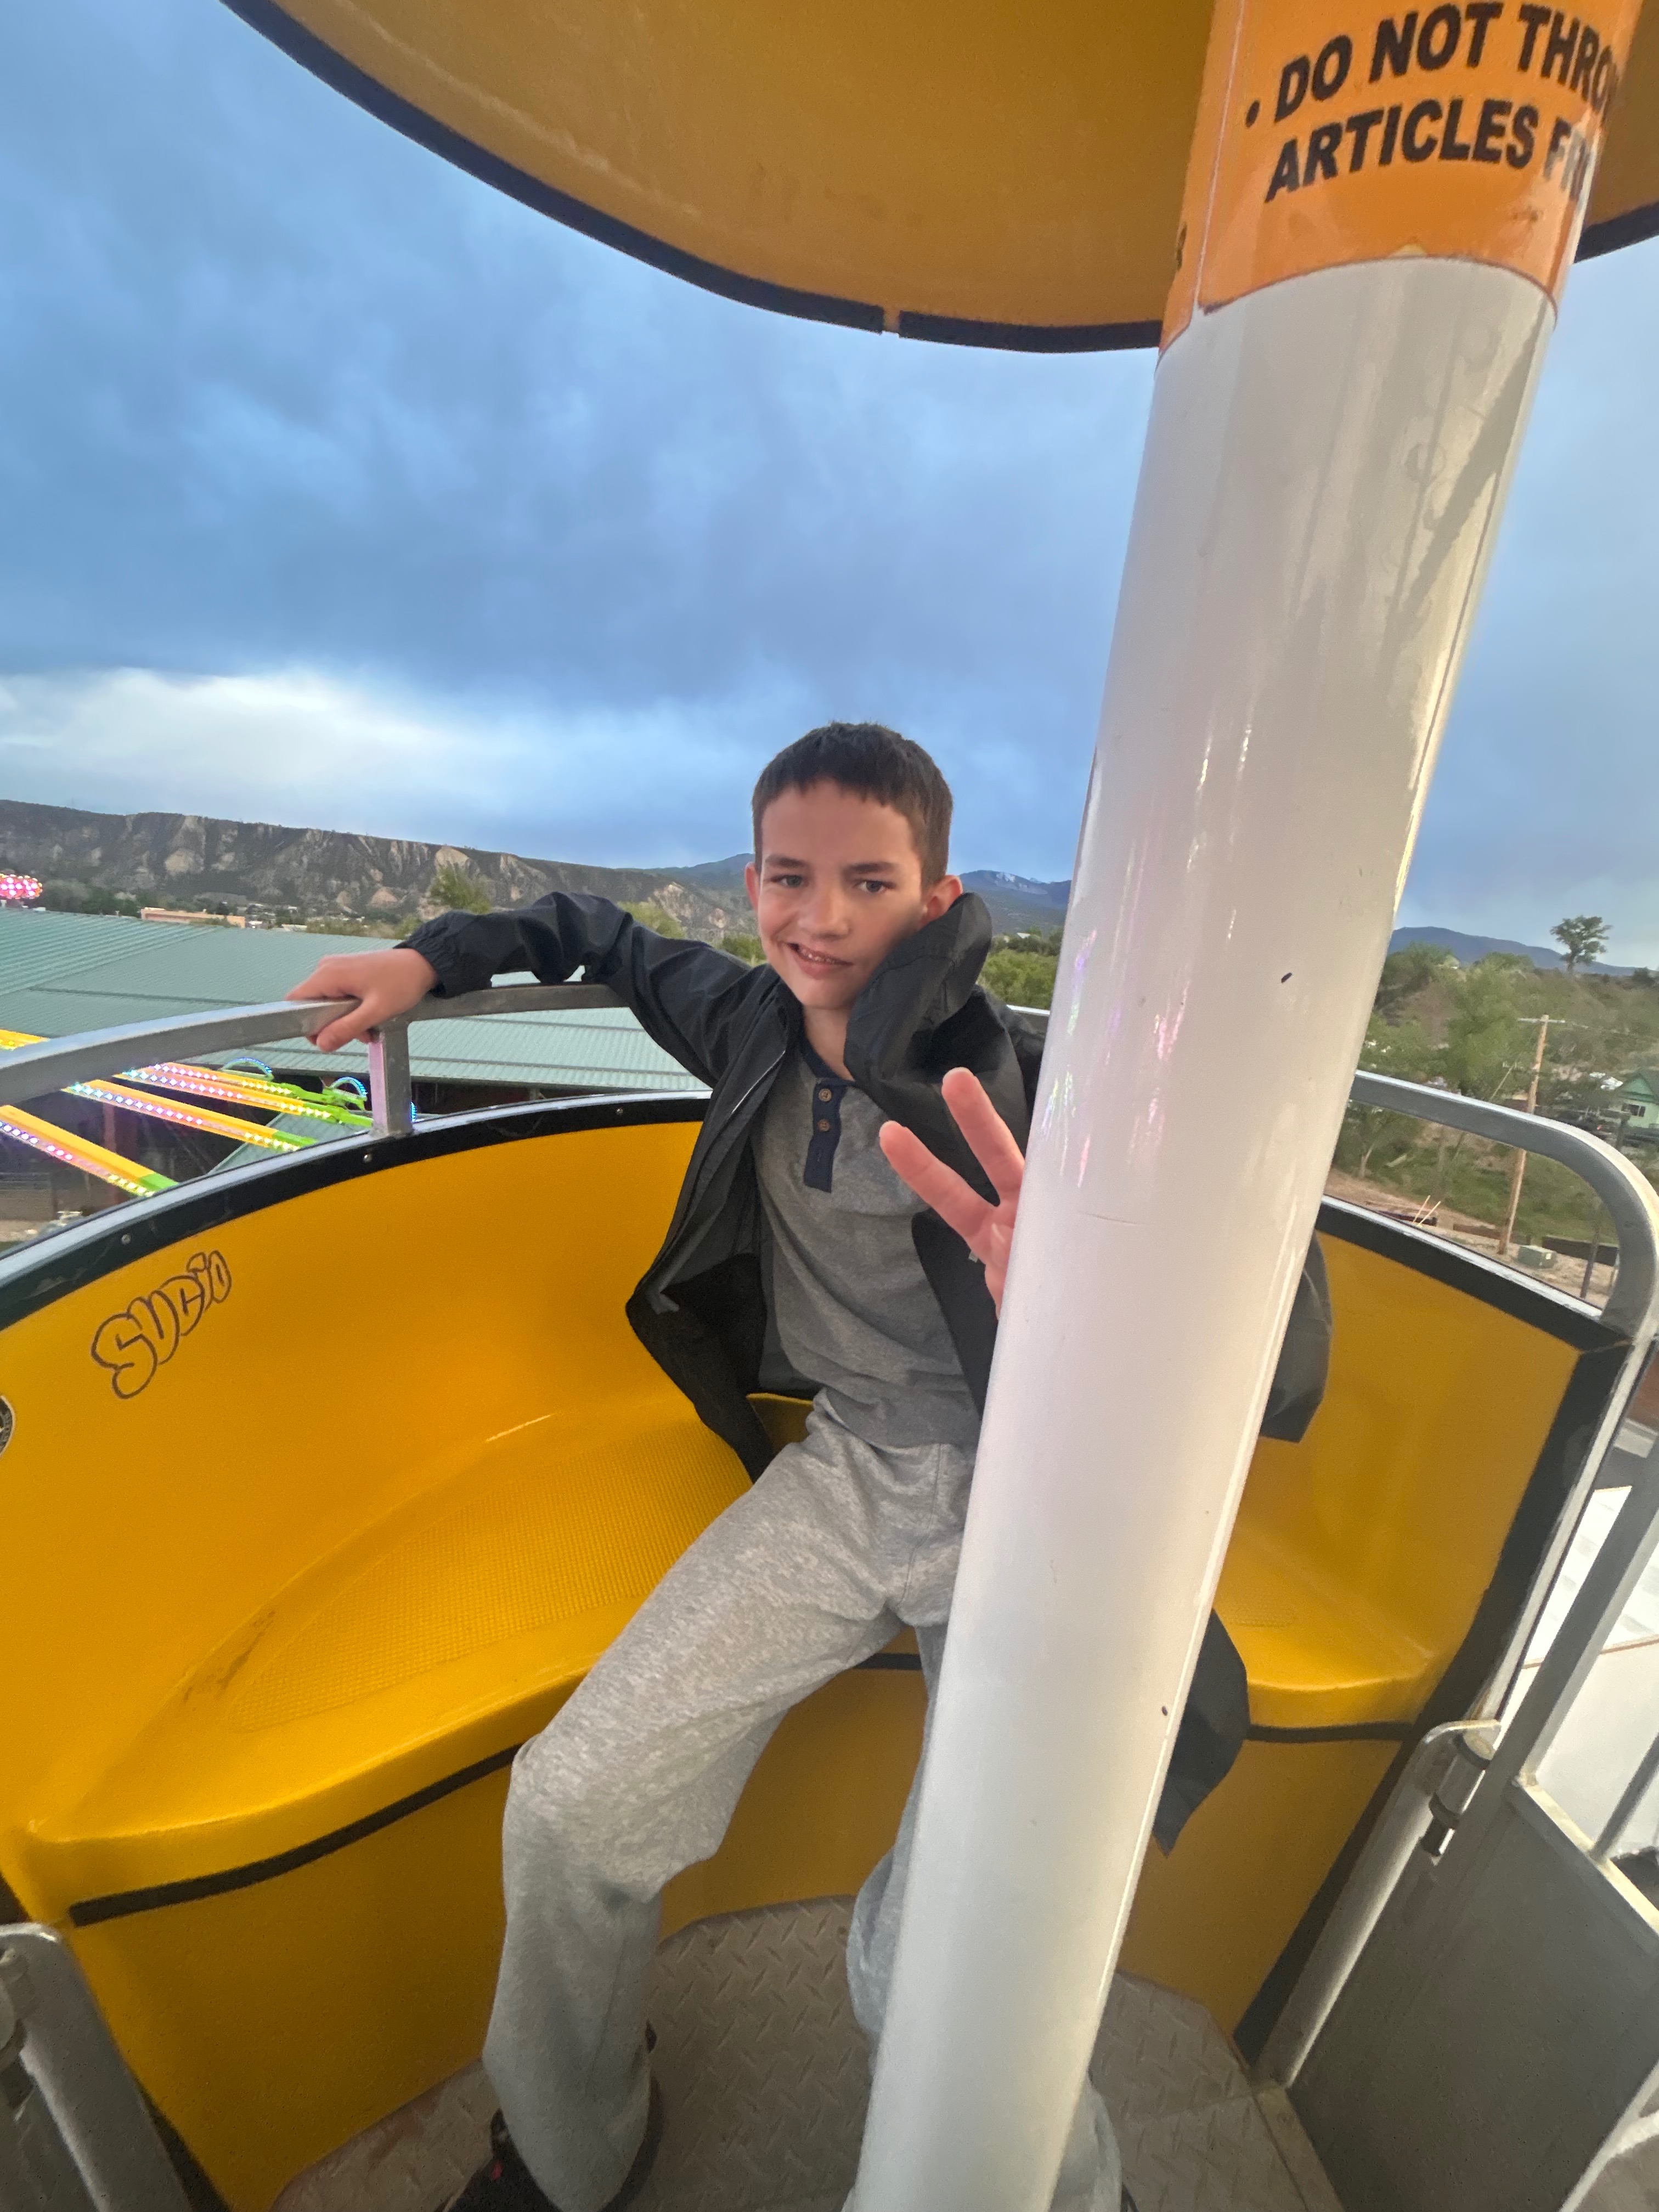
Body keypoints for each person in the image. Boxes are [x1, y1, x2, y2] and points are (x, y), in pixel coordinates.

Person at [288, 722, 1327, 2212]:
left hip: (1029, 1506)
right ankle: (574, 2147)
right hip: (846, 1474)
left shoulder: (1039, 1087)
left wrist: (1101, 1316)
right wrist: (430, 962)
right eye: (789, 876)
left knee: (931, 1974)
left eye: (868, 882)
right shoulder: (750, 1025)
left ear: (937, 896)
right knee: (570, 1809)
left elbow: (1278, 1341)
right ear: (755, 885)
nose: (820, 917)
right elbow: (602, 934)